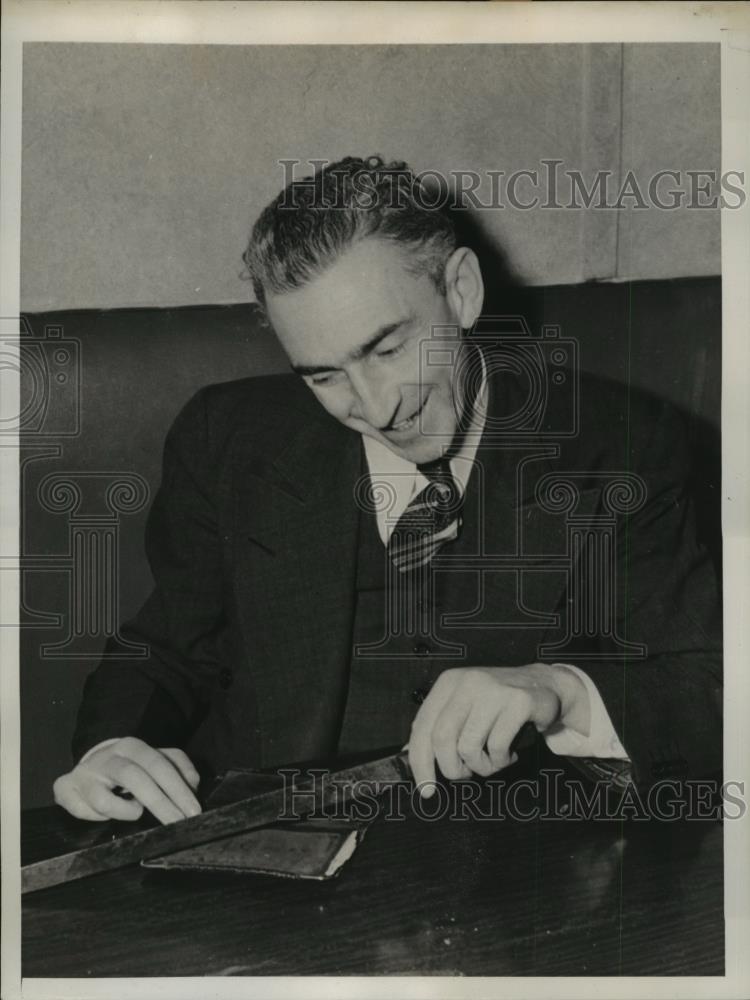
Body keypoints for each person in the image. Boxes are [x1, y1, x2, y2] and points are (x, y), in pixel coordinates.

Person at [53, 156, 722, 825]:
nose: (375, 408)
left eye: (388, 350)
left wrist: (562, 692)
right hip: (272, 860)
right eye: (323, 376)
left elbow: (703, 690)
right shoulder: (226, 439)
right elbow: (167, 650)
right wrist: (112, 747)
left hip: (517, 868)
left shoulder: (624, 445)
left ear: (460, 291)